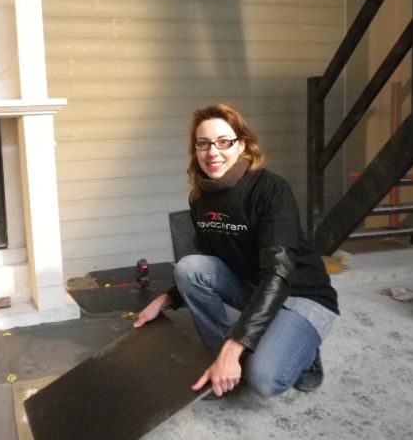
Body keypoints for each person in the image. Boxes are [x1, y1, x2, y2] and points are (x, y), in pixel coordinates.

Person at [134, 103, 339, 399]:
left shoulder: (271, 190)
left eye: (223, 142)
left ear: (242, 145)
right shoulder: (200, 199)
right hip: (258, 289)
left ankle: (306, 348)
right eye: (203, 144)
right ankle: (223, 359)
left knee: (264, 379)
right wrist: (168, 298)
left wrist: (236, 344)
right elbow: (207, 262)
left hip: (302, 294)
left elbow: (278, 274)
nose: (212, 152)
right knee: (189, 267)